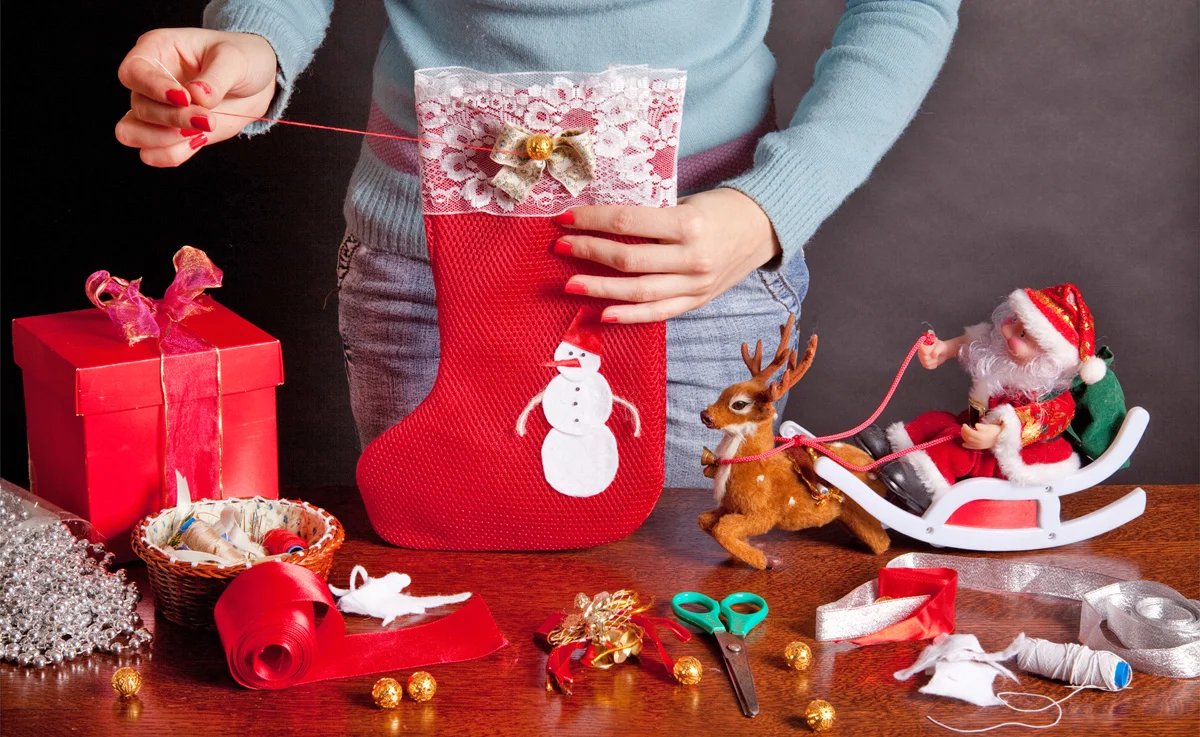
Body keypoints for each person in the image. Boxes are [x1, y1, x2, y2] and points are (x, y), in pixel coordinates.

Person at [114, 0, 961, 488]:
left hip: (695, 271)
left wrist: (774, 207)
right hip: (426, 263)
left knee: (676, 633)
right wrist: (256, 39)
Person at [856, 284, 1108, 512]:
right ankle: (895, 452)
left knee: (956, 447)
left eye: (1023, 336)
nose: (1009, 333)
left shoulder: (1053, 395)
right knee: (936, 421)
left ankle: (922, 487)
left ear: (1049, 356)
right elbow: (974, 343)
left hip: (1012, 455)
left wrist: (999, 435)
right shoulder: (1003, 351)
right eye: (1014, 320)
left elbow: (1043, 422)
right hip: (978, 424)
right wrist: (942, 350)